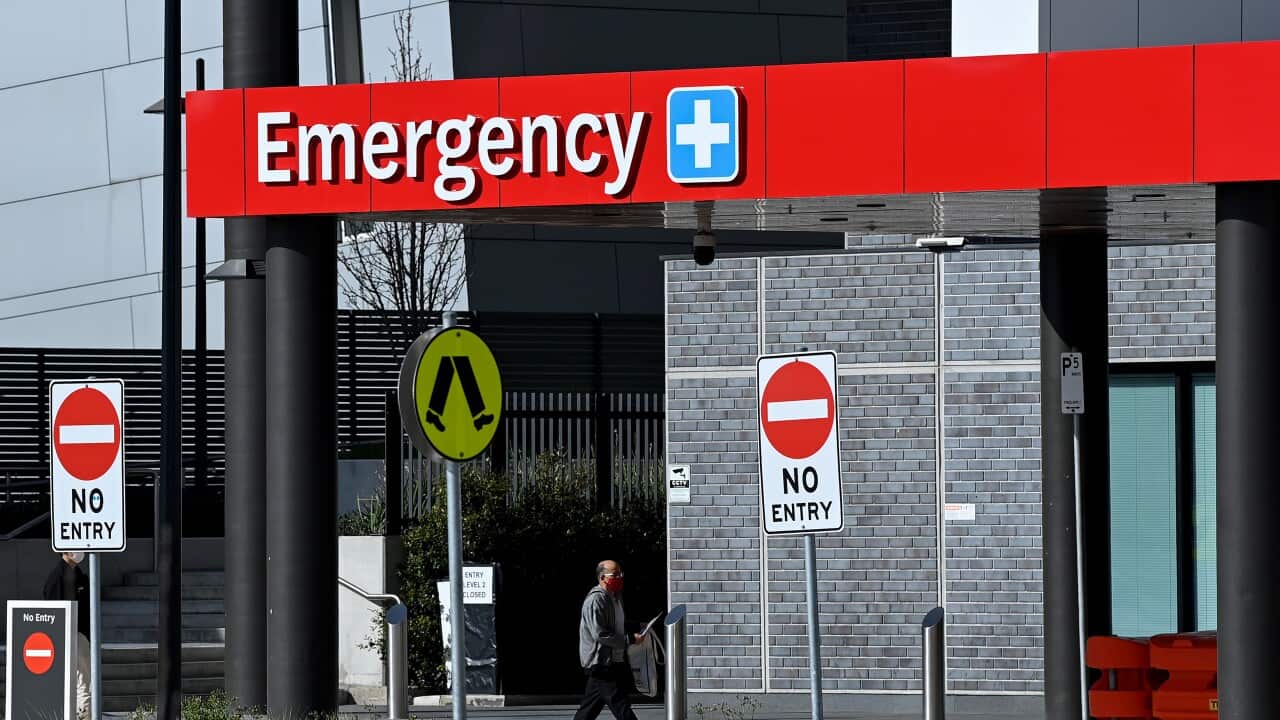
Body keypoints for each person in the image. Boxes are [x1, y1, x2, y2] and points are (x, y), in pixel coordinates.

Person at [574, 559, 644, 720]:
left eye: (620, 573)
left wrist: (638, 625)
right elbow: (600, 634)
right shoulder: (596, 600)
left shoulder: (615, 597)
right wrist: (629, 640)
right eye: (615, 574)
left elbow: (617, 624)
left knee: (588, 710)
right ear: (602, 577)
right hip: (601, 663)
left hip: (613, 661)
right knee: (621, 706)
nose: (619, 577)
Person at [43, 551, 91, 720]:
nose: (81, 551)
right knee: (82, 685)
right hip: (71, 636)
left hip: (79, 635)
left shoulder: (78, 575)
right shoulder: (57, 578)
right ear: (66, 550)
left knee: (79, 685)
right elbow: (53, 613)